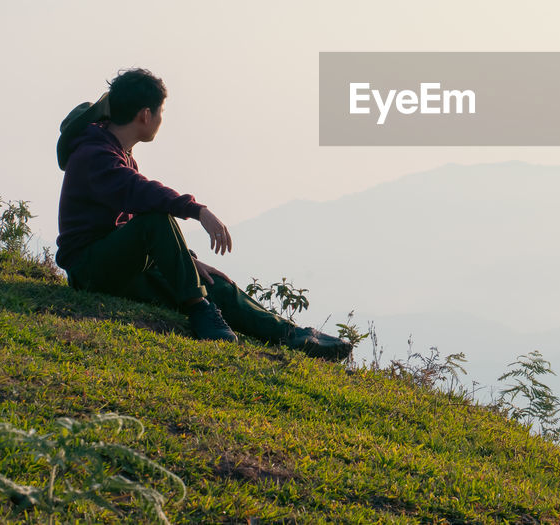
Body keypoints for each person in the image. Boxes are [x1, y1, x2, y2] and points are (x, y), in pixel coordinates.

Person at [55, 68, 351, 361]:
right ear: (146, 115)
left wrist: (188, 260)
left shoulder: (115, 151)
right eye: (161, 112)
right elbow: (140, 193)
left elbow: (129, 218)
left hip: (118, 265)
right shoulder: (94, 154)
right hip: (91, 269)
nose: (161, 119)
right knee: (157, 218)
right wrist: (197, 210)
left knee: (209, 280)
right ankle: (199, 308)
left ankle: (292, 336)